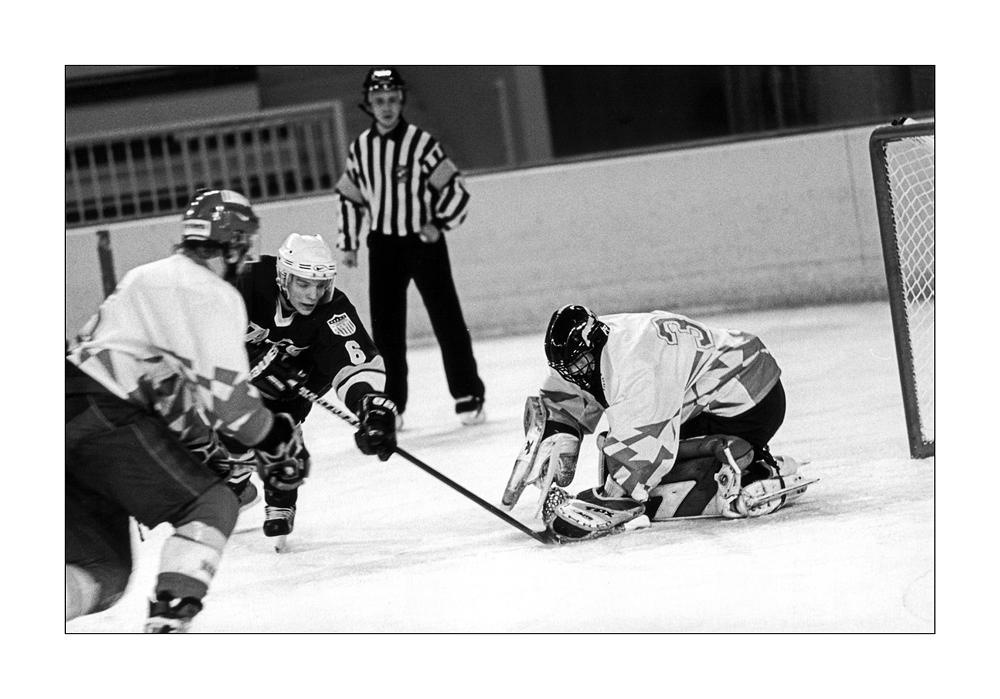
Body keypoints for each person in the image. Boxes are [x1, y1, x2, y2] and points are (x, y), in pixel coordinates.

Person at [65, 190, 311, 632]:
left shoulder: (143, 276)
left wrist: (237, 444)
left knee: (103, 573)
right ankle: (168, 626)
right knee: (211, 502)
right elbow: (230, 407)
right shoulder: (211, 292)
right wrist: (277, 441)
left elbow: (175, 397)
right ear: (234, 243)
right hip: (104, 414)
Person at [502, 304, 814, 542]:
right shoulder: (604, 340)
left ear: (593, 343)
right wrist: (560, 427)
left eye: (579, 365)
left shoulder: (636, 365)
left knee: (658, 485)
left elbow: (644, 450)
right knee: (639, 465)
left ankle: (751, 468)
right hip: (732, 382)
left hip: (750, 401)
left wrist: (610, 499)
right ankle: (743, 461)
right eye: (566, 368)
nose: (575, 374)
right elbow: (571, 383)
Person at [334, 66, 485, 429]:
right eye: (378, 100)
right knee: (386, 331)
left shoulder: (422, 144)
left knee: (447, 320)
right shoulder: (361, 149)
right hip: (383, 246)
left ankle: (468, 394)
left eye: (391, 99)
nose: (385, 106)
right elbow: (350, 198)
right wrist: (350, 243)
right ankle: (392, 403)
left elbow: (456, 190)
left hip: (422, 243)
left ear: (400, 100)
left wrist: (439, 223)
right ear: (369, 103)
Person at [229, 231, 397, 546]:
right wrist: (250, 357)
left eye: (320, 286)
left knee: (282, 415)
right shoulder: (247, 281)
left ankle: (281, 489)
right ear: (283, 278)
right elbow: (203, 328)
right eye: (303, 284)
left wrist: (370, 405)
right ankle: (236, 472)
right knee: (228, 417)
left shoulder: (333, 309)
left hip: (300, 378)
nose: (312, 295)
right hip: (238, 375)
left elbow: (355, 361)